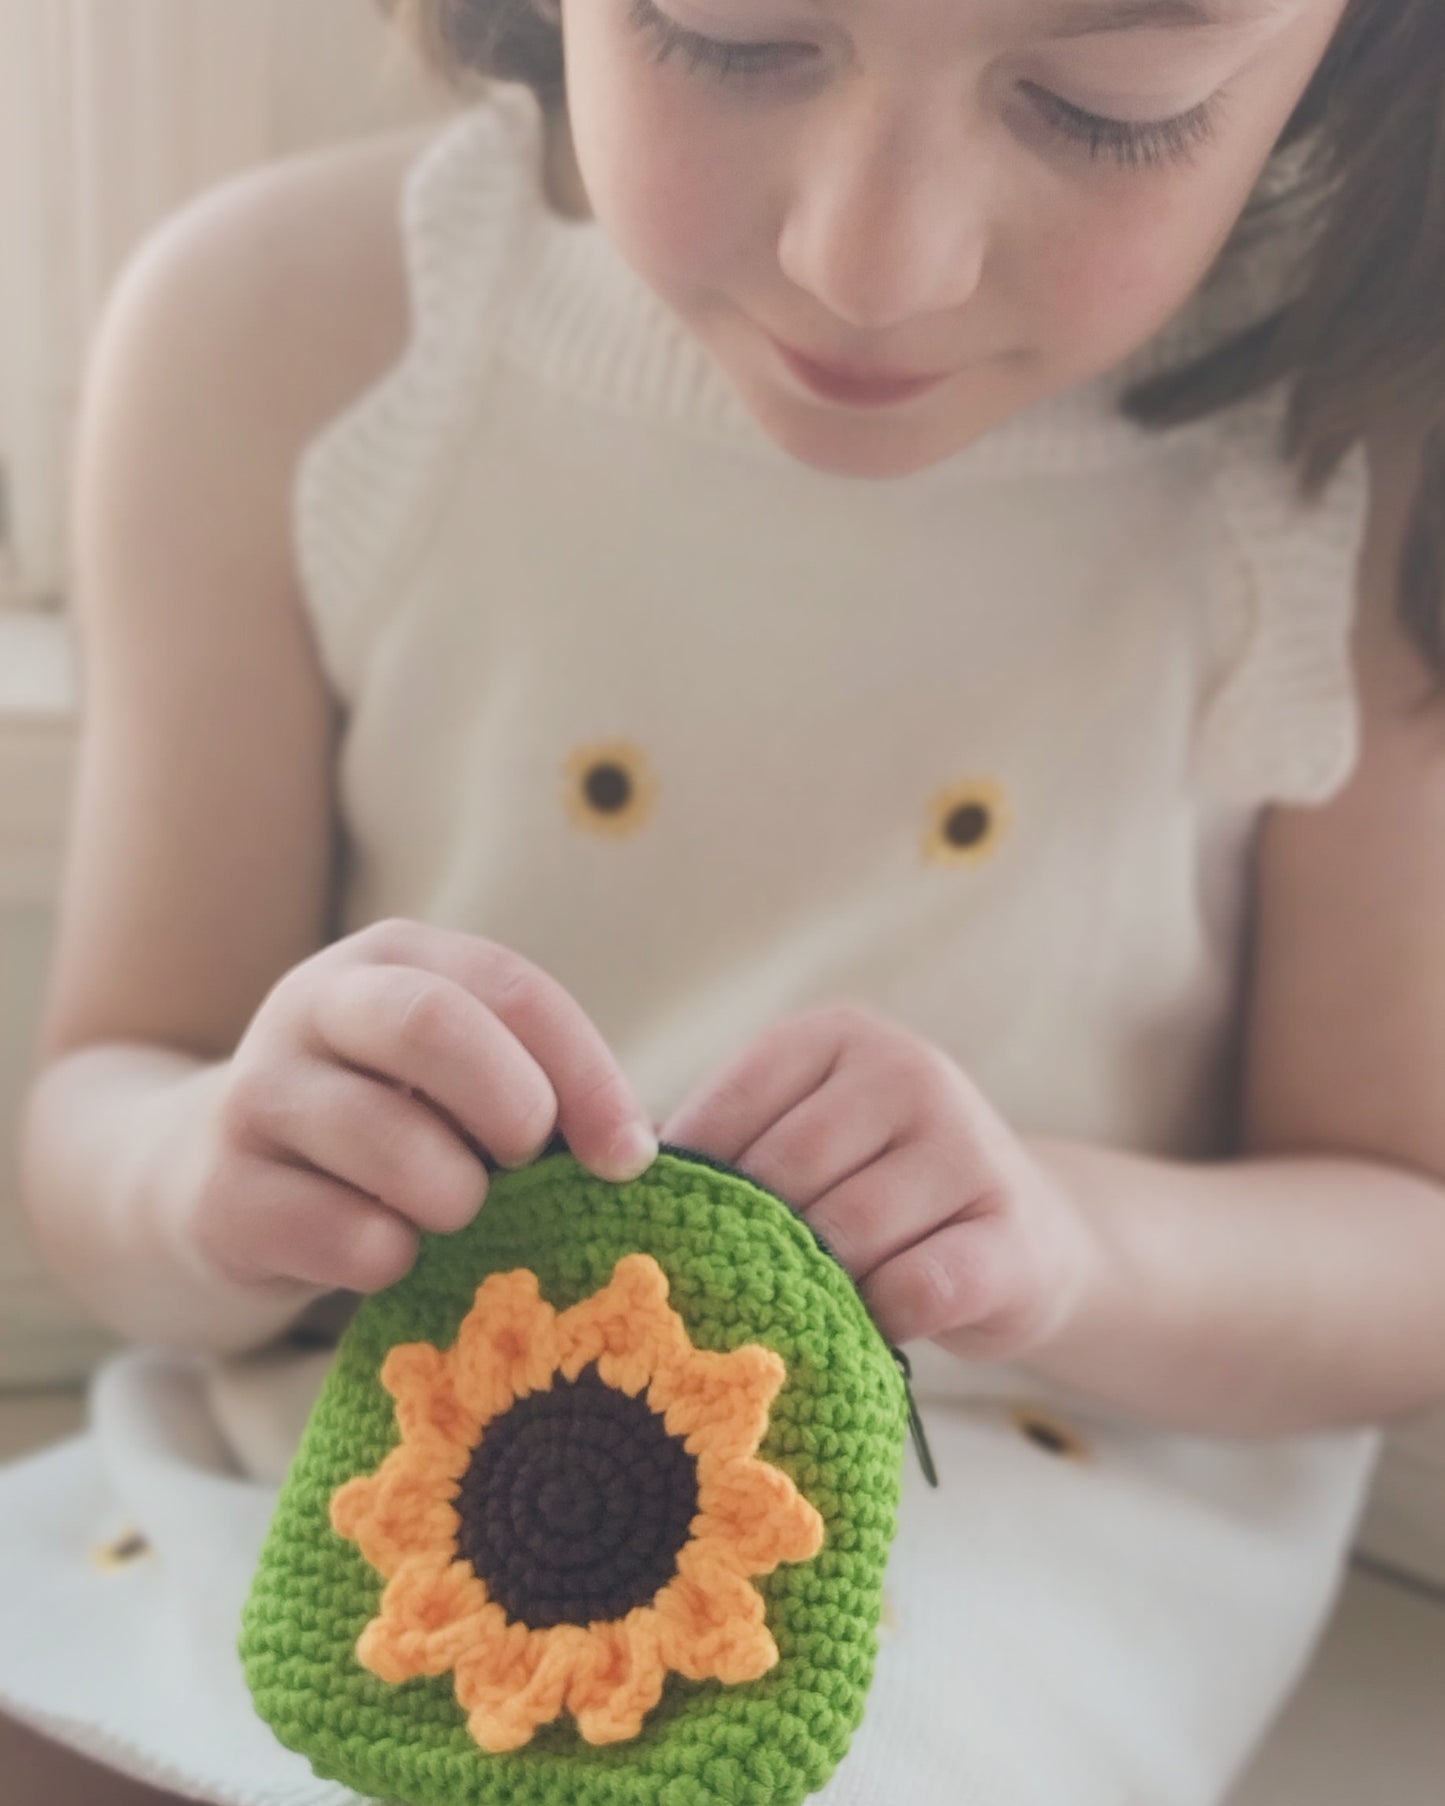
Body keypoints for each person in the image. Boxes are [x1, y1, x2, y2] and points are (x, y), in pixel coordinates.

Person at [3, 0, 1443, 1800]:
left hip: (1003, 1505)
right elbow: (104, 1114)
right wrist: (216, 1165)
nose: (870, 260)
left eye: (1101, 108)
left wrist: (1060, 1243)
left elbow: (1406, 1238)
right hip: (350, 1453)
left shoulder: (1356, 445)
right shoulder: (290, 336)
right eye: (731, 35)